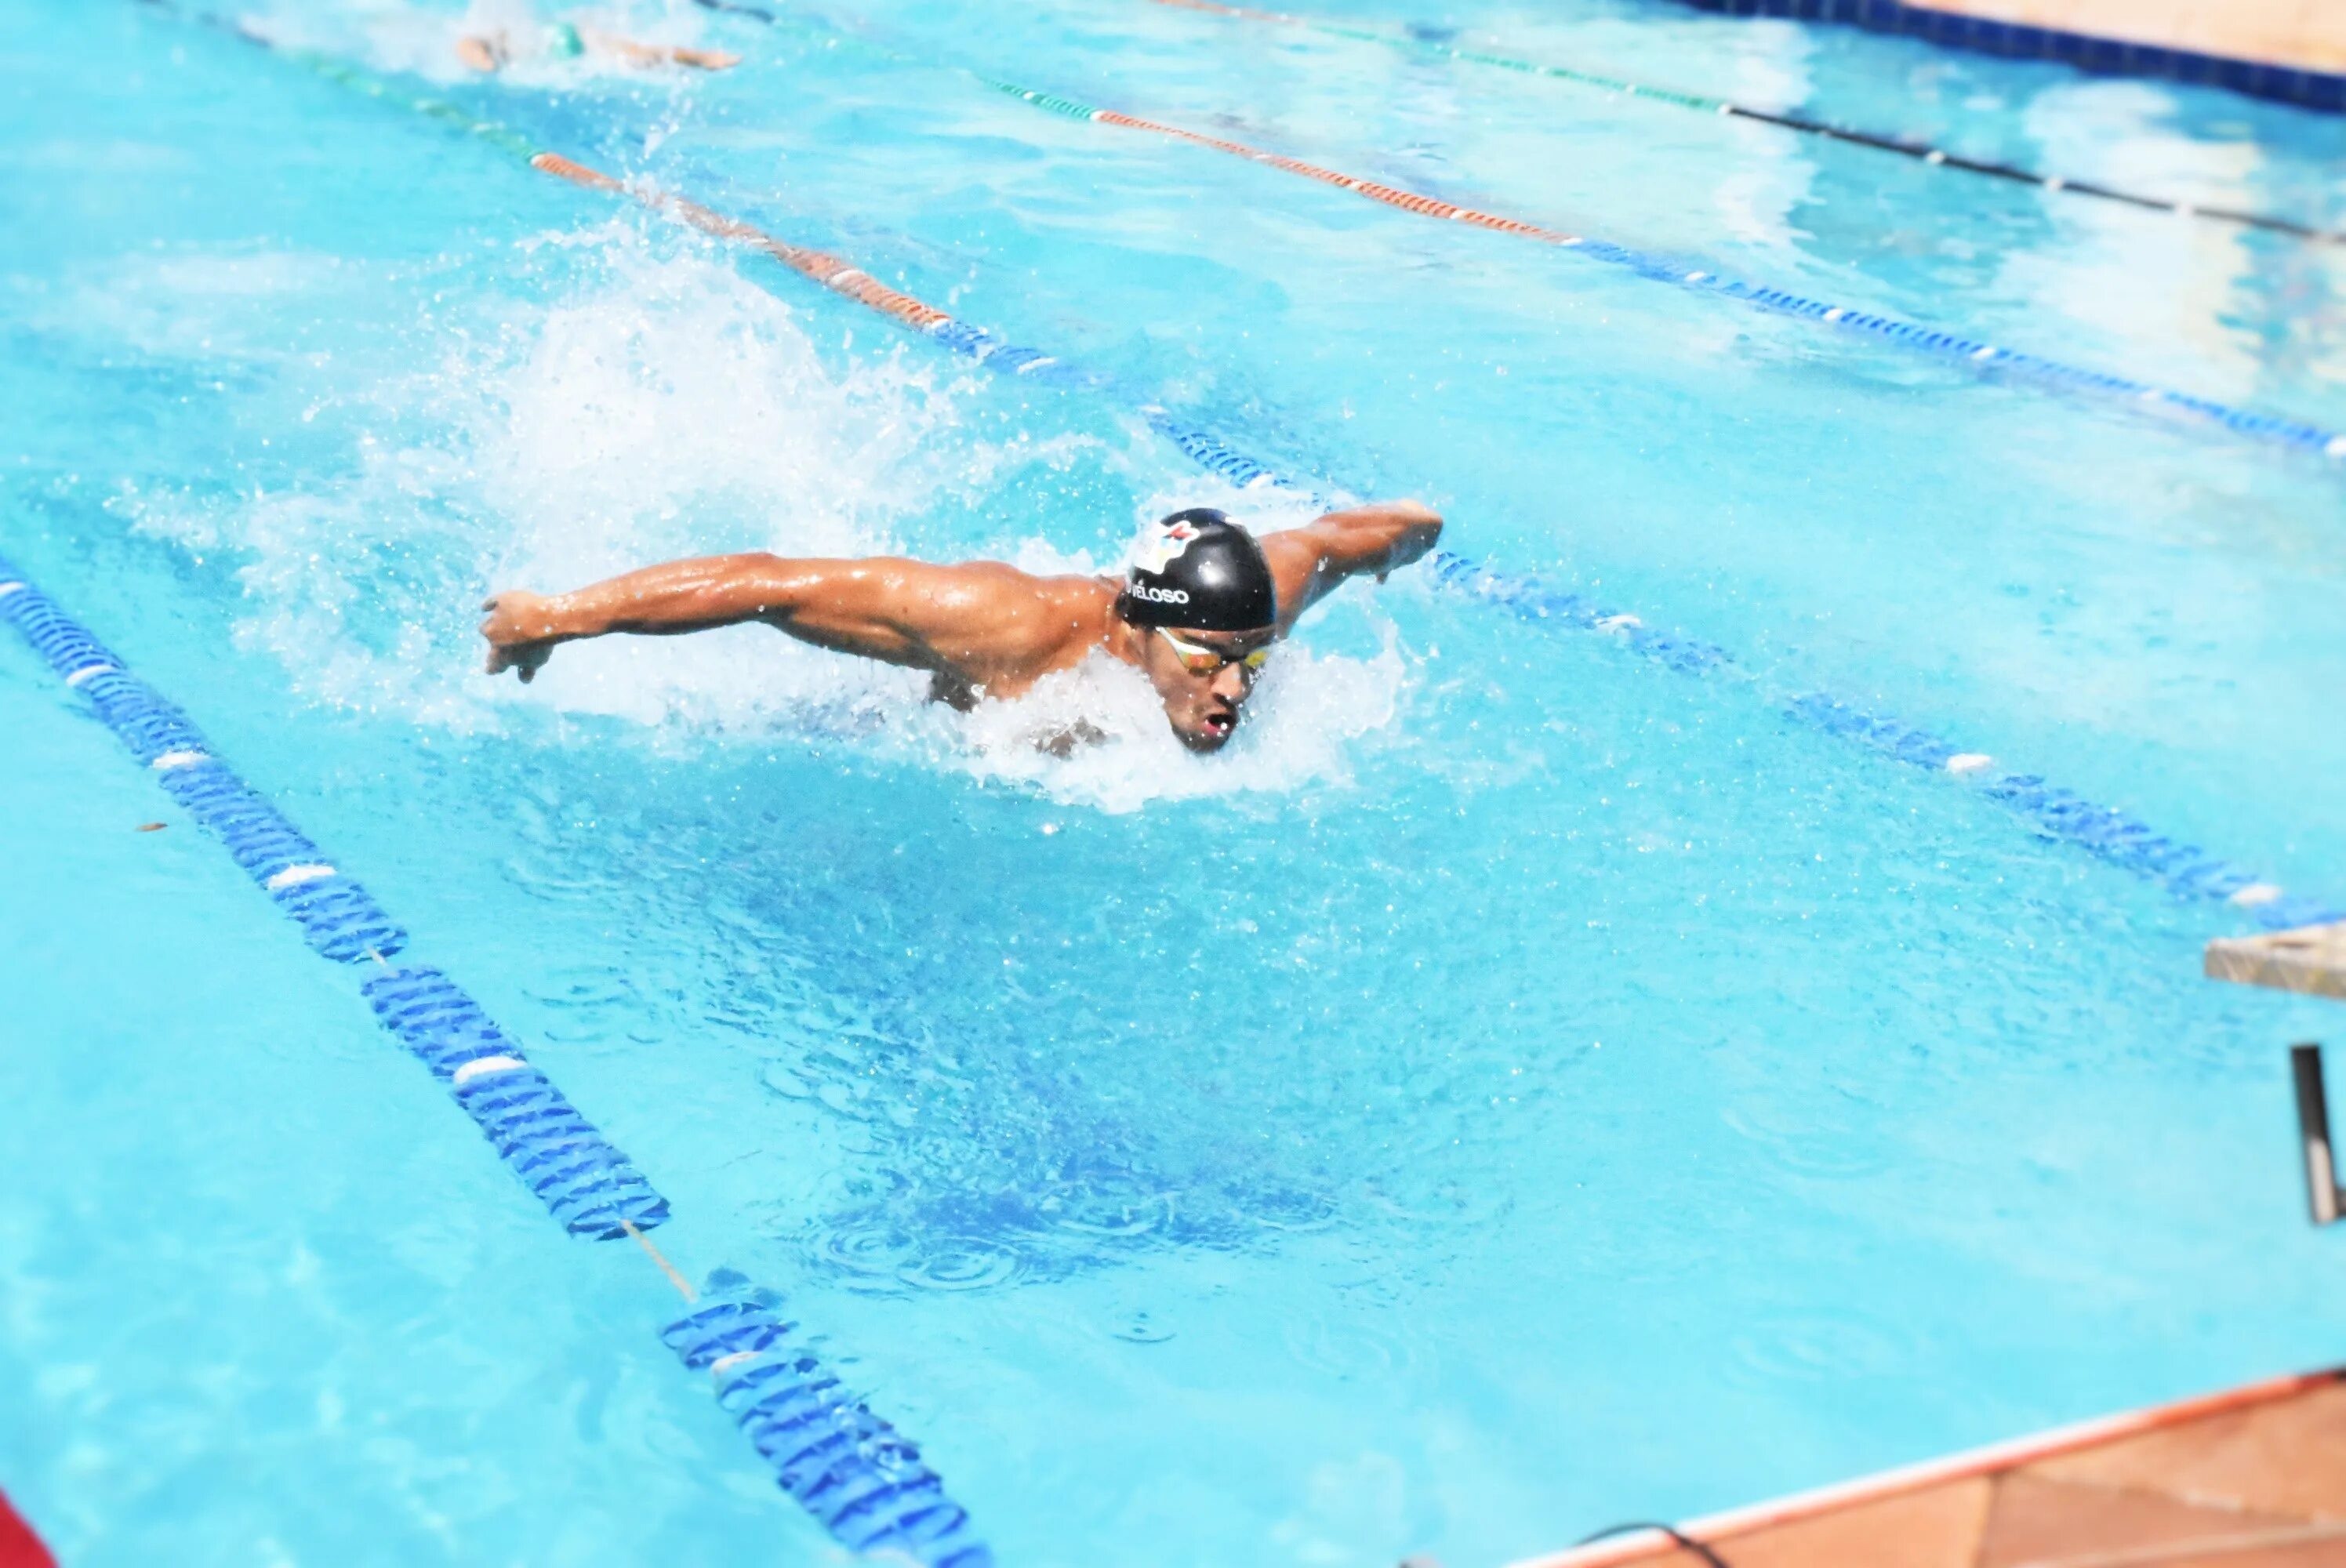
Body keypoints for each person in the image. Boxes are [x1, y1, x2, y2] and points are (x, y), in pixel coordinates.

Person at [478, 501, 1443, 753]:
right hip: (921, 731)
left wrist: (1419, 534)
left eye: (1251, 660)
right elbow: (768, 583)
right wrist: (563, 615)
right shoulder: (1014, 629)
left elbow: (1351, 536)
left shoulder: (1255, 596)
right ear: (1140, 627)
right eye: (1206, 661)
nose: (1234, 688)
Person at [456, 17, 739, 73]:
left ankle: (701, 58)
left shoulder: (488, 37)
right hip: (570, 37)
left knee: (638, 55)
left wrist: (486, 65)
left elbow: (468, 49)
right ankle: (701, 58)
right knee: (638, 54)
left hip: (566, 38)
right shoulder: (488, 35)